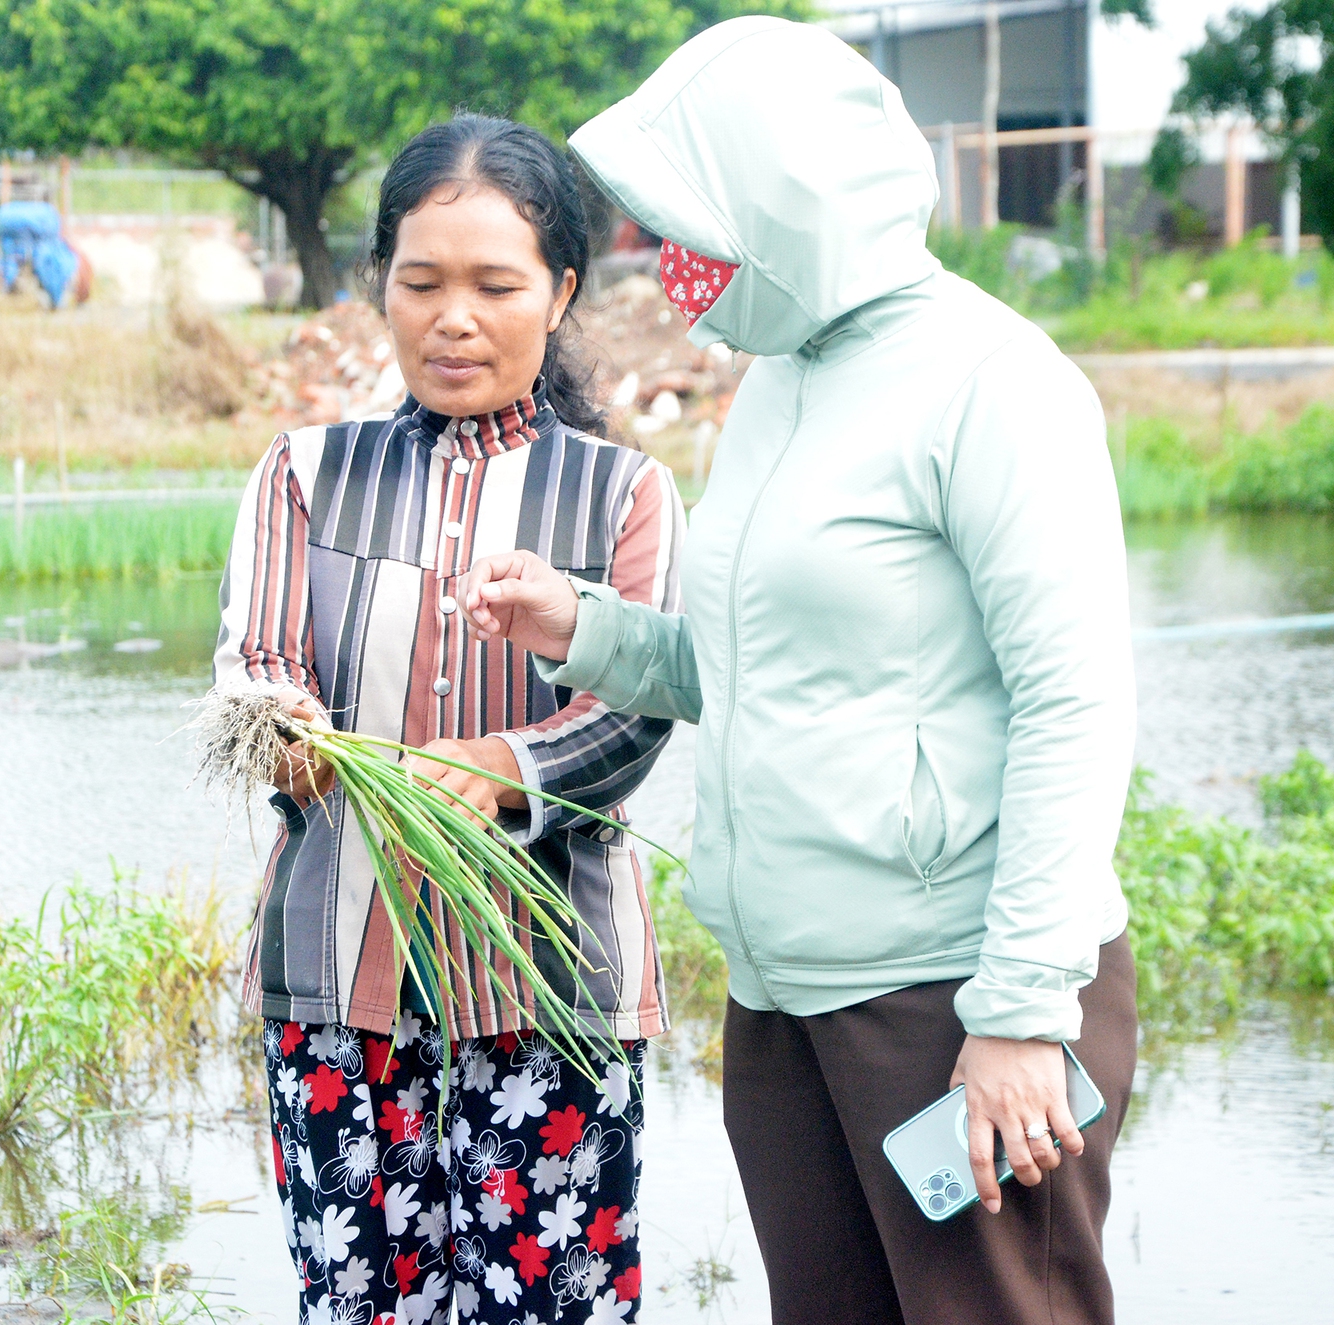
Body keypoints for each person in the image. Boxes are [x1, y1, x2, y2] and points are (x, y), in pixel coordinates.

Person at [460, 18, 1138, 1325]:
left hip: (949, 991)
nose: (668, 260)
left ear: (792, 202)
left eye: (696, 221)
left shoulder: (995, 384)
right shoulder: (779, 382)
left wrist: (1017, 1016)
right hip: (787, 994)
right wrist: (582, 627)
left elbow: (1076, 701)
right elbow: (757, 666)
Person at [212, 114, 686, 1325]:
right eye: (419, 283)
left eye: (494, 285)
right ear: (382, 286)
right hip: (338, 982)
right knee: (361, 1306)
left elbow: (634, 714)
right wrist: (289, 733)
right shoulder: (303, 473)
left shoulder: (625, 490)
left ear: (560, 290)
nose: (452, 317)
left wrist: (499, 766)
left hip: (552, 993)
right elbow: (258, 663)